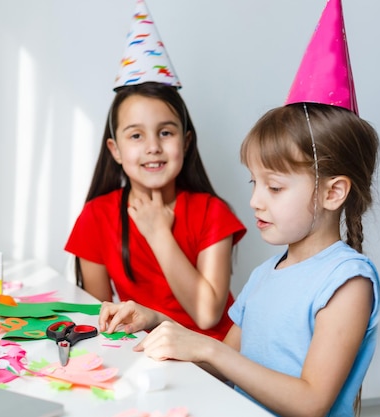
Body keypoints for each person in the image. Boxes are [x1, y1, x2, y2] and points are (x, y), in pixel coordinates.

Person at [98, 1, 380, 415]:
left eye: (275, 186)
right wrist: (158, 322)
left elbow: (311, 403)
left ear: (333, 193)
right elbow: (218, 366)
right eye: (255, 183)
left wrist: (209, 350)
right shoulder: (264, 276)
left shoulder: (348, 283)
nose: (255, 200)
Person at [65, 0, 246, 341]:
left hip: (216, 360)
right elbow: (101, 318)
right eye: (136, 135)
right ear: (115, 150)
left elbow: (207, 316)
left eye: (166, 132)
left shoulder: (212, 213)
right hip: (146, 357)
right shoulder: (96, 217)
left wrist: (158, 232)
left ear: (186, 142)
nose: (153, 147)